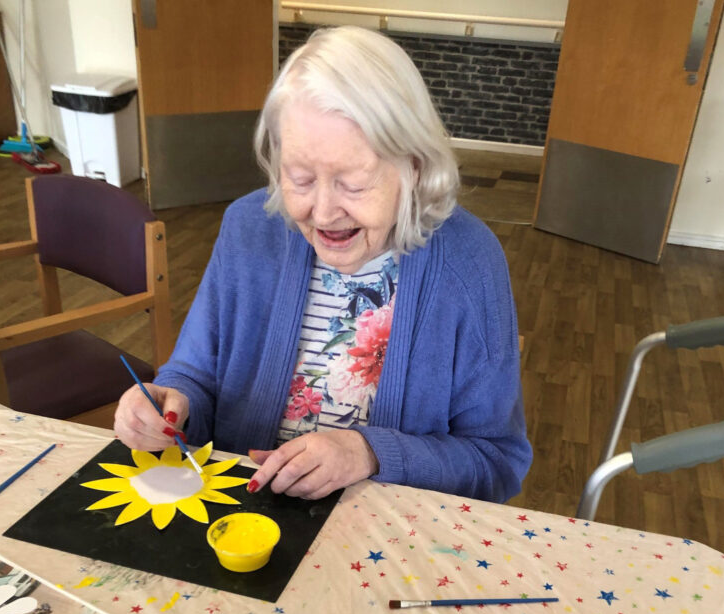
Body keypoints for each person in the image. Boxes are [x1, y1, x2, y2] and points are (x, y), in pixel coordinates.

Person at [114, 25, 532, 502]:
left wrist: (369, 453)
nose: (324, 213)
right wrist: (170, 403)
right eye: (300, 178)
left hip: (386, 533)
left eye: (353, 183)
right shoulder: (248, 229)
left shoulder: (469, 261)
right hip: (244, 516)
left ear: (414, 168)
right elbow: (195, 374)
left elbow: (496, 462)